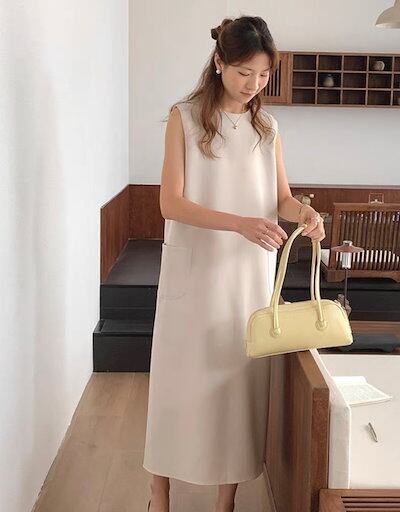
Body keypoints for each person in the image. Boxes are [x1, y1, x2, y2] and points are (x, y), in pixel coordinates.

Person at [142, 15, 325, 512]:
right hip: (195, 274)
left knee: (238, 390)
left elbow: (281, 199)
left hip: (248, 276)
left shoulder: (268, 128)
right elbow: (171, 204)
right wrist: (240, 223)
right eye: (245, 72)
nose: (254, 84)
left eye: (264, 75)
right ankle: (160, 493)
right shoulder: (185, 118)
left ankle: (226, 501)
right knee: (178, 383)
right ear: (220, 62)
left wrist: (305, 214)